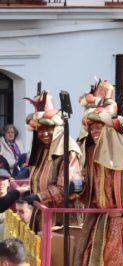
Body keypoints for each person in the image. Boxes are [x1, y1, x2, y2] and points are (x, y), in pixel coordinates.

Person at [72, 79, 123, 266]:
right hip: (97, 219)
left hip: (119, 219)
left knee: (113, 259)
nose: (94, 131)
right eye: (92, 128)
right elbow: (87, 188)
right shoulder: (90, 153)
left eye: (99, 127)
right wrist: (77, 187)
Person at [23, 90, 83, 230]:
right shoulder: (43, 149)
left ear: (57, 129)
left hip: (61, 219)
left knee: (55, 252)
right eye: (40, 130)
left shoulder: (68, 151)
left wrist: (39, 196)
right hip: (42, 215)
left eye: (48, 129)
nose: (44, 134)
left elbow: (66, 189)